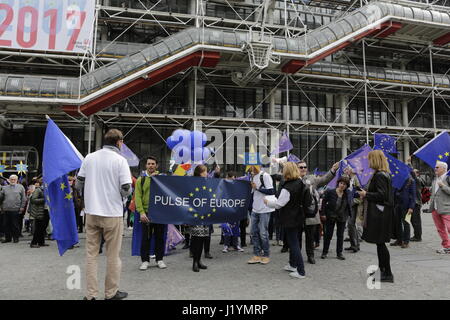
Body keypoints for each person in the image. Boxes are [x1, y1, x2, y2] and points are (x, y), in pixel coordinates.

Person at [76, 129, 132, 300]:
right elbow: (125, 189)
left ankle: (91, 294)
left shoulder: (89, 157)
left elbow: (79, 184)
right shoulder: (120, 160)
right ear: (119, 142)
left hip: (92, 212)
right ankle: (111, 293)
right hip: (112, 214)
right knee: (113, 255)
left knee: (91, 255)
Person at [357, 150, 395, 283]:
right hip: (383, 213)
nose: (368, 162)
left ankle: (387, 273)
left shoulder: (379, 175)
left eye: (369, 159)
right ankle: (383, 269)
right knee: (380, 244)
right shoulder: (385, 174)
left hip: (380, 214)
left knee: (381, 244)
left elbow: (381, 195)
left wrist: (365, 194)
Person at [264, 162, 306, 279]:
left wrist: (267, 202)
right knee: (295, 243)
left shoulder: (288, 187)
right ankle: (293, 265)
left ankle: (301, 271)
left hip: (290, 218)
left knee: (294, 245)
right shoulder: (299, 182)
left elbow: (278, 204)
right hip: (298, 216)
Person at [297, 160, 339, 264]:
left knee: (310, 237)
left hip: (310, 212)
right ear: (296, 169)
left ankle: (310, 255)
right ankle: (296, 256)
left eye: (304, 167)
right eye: (300, 167)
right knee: (297, 237)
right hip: (297, 213)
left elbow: (324, 180)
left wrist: (333, 169)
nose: (303, 169)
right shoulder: (293, 179)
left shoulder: (311, 179)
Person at [136, 156, 167, 271]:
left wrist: (158, 179)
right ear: (146, 166)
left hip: (160, 212)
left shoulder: (162, 178)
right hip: (147, 213)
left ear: (157, 165)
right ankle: (145, 260)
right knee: (146, 238)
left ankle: (160, 259)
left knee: (160, 237)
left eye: (153, 164)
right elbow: (137, 196)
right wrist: (141, 212)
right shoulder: (141, 179)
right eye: (149, 164)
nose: (151, 166)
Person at [247, 165, 275, 265]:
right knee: (253, 232)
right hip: (255, 208)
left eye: (252, 168)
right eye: (250, 168)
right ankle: (257, 255)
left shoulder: (265, 176)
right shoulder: (252, 177)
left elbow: (271, 191)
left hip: (265, 209)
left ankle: (266, 255)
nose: (251, 170)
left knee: (263, 233)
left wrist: (257, 188)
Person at [320, 176, 352, 260]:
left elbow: (349, 203)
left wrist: (349, 214)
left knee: (340, 235)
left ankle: (339, 253)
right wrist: (323, 213)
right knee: (328, 235)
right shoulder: (330, 192)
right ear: (338, 183)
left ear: (347, 186)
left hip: (342, 217)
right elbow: (323, 202)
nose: (342, 185)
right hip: (331, 216)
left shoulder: (347, 193)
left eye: (344, 184)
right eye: (341, 183)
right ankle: (324, 252)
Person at [190, 165, 210, 272]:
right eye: (205, 171)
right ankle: (194, 262)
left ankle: (199, 260)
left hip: (205, 214)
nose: (206, 173)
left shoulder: (207, 183)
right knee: (196, 239)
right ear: (200, 172)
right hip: (196, 215)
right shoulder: (194, 183)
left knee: (203, 239)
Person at [429, 161, 450, 254]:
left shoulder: (448, 178)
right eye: (435, 167)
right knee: (440, 229)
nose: (435, 169)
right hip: (435, 208)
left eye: (437, 167)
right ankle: (446, 246)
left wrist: (443, 186)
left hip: (446, 208)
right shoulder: (435, 179)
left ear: (444, 169)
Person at [391, 173, 416, 249]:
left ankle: (406, 241)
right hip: (397, 204)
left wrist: (411, 207)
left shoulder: (411, 181)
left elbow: (413, 195)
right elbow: (394, 191)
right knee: (397, 223)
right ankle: (399, 239)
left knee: (406, 223)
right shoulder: (396, 179)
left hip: (406, 205)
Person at [0, 175, 26, 243]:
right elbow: (1, 198)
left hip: (16, 209)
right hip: (6, 209)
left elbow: (23, 198)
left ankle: (15, 238)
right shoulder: (4, 188)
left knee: (15, 225)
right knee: (6, 225)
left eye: (14, 179)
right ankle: (7, 238)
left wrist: (22, 207)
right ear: (9, 180)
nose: (13, 180)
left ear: (17, 180)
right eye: (11, 179)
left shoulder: (21, 187)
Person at [344, 167, 362, 253]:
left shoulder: (356, 179)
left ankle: (356, 245)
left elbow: (359, 191)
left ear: (351, 170)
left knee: (351, 224)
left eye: (347, 169)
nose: (345, 171)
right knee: (350, 225)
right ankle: (353, 244)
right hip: (348, 204)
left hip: (353, 204)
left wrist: (354, 201)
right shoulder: (349, 179)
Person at [29, 178, 49, 248]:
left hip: (46, 210)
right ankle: (33, 243)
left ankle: (41, 242)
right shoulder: (38, 190)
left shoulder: (48, 190)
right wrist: (44, 199)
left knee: (43, 227)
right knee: (38, 228)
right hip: (40, 211)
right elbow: (33, 200)